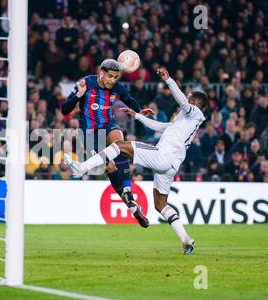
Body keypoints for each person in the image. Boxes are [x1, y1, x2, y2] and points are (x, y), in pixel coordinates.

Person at [65, 66, 208, 255]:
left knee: (122, 145)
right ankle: (185, 239)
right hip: (171, 166)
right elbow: (160, 126)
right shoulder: (184, 122)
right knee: (160, 204)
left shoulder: (195, 113)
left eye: (189, 97)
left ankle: (81, 168)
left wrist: (169, 80)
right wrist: (137, 115)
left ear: (193, 102)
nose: (186, 99)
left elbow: (183, 102)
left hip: (163, 155)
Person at [61, 59, 154, 228]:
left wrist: (140, 112)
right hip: (89, 133)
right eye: (110, 76)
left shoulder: (117, 88)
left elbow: (129, 100)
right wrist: (78, 95)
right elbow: (65, 110)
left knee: (120, 143)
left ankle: (127, 191)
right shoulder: (86, 83)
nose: (113, 80)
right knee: (110, 167)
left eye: (116, 77)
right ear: (101, 73)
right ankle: (132, 207)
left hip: (108, 124)